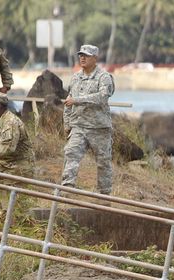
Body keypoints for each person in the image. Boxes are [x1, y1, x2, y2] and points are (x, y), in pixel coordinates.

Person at [62, 44, 115, 195]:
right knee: (71, 154)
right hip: (78, 126)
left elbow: (103, 97)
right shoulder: (76, 77)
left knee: (103, 162)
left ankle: (104, 194)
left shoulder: (104, 77)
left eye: (86, 55)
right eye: (80, 55)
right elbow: (68, 102)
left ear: (95, 58)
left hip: (99, 128)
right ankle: (67, 188)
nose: (82, 58)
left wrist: (78, 100)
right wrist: (67, 124)